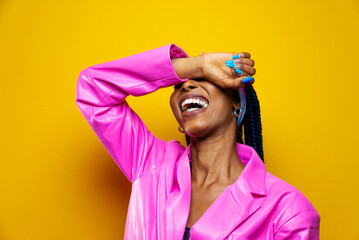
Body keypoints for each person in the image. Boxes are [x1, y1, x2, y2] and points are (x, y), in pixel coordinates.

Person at [75, 44, 320, 239]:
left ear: (238, 104)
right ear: (180, 121)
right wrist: (197, 65)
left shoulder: (288, 211)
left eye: (205, 79)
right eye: (179, 84)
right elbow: (94, 88)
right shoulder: (152, 165)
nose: (188, 84)